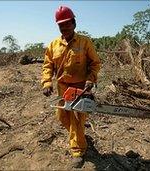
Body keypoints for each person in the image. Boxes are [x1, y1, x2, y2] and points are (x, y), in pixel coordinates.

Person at [41, 5, 101, 168]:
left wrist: (90, 79)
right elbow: (48, 65)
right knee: (62, 116)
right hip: (62, 86)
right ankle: (79, 134)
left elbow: (95, 63)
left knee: (76, 119)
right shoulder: (53, 45)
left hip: (81, 87)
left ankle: (78, 150)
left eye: (67, 23)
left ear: (74, 23)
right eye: (61, 24)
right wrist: (47, 82)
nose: (64, 27)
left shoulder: (84, 42)